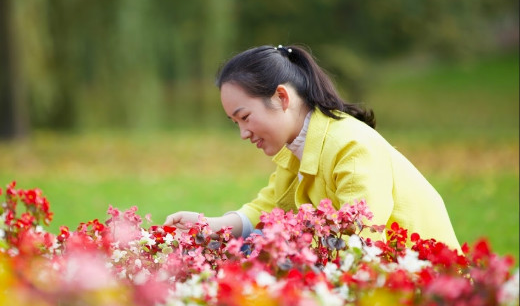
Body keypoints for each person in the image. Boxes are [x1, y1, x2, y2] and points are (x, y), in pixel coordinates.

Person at [164, 44, 461, 251]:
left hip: (420, 283)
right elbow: (269, 209)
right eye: (235, 122)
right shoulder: (297, 147)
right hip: (366, 271)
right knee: (248, 247)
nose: (243, 133)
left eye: (245, 117)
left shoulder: (351, 147)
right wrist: (212, 226)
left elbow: (362, 240)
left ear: (281, 97)